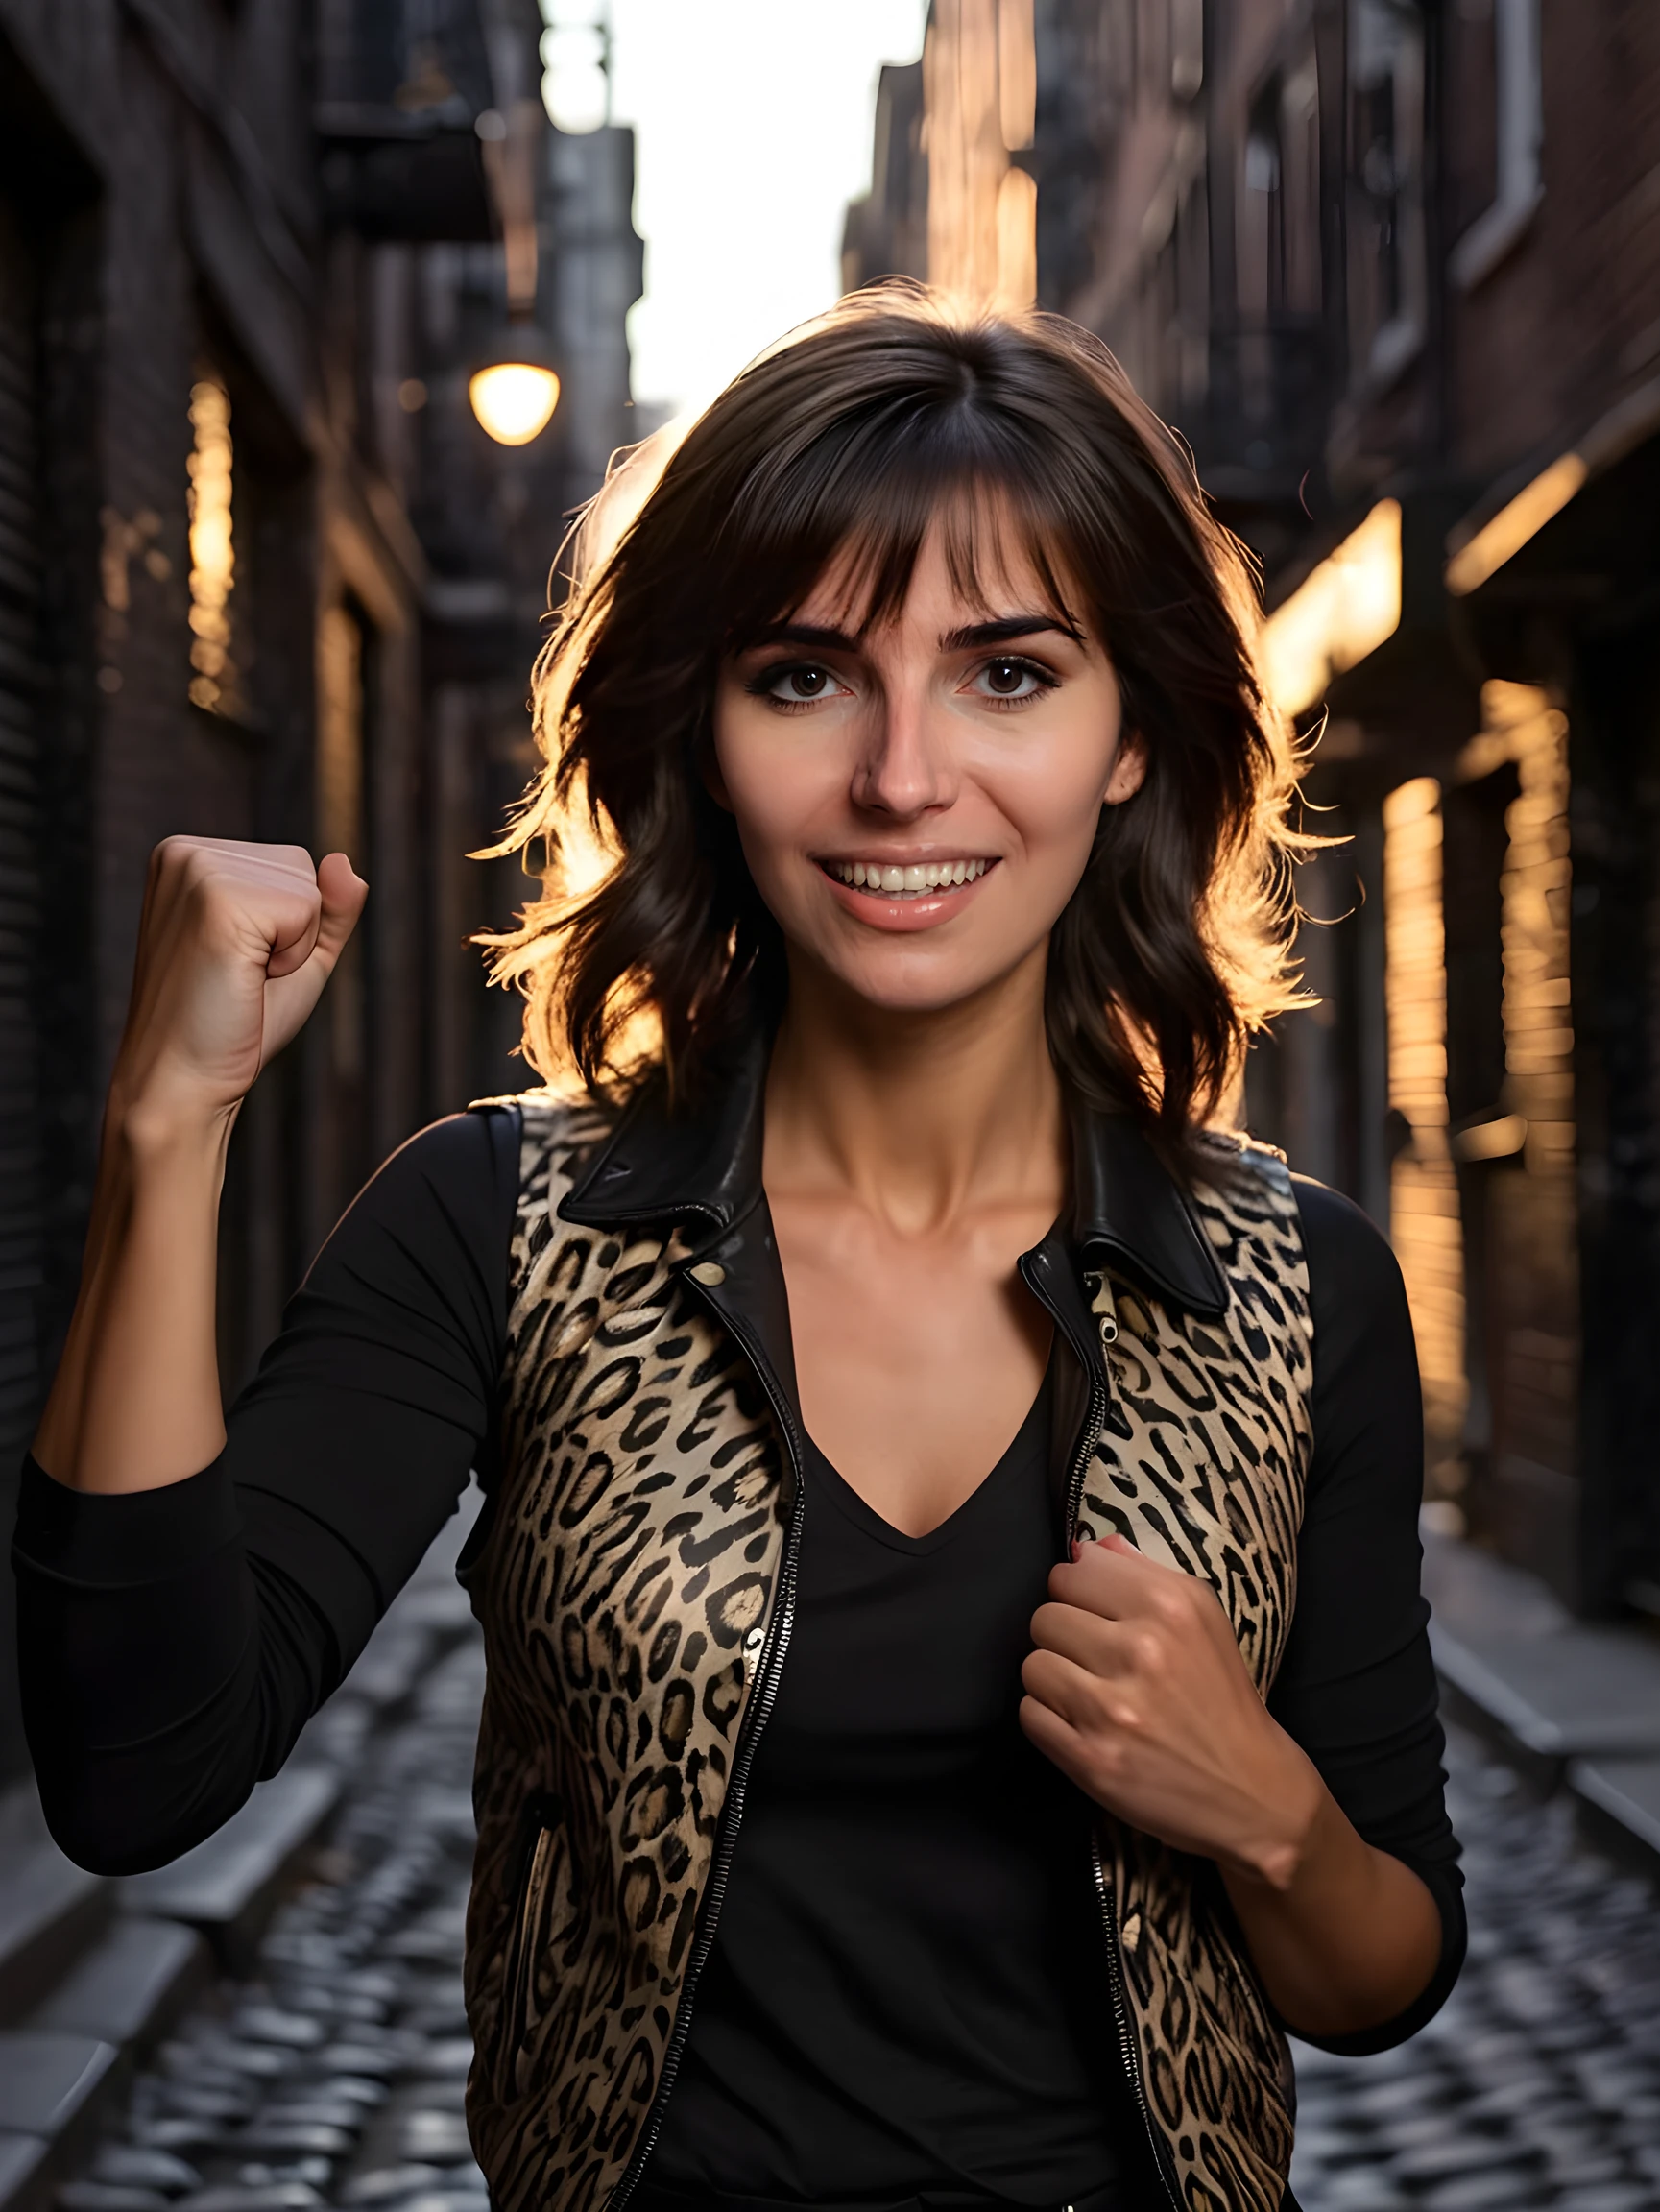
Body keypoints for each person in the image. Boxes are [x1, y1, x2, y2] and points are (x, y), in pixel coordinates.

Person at [15, 288, 1462, 2212]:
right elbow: (139, 1774)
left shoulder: (1294, 1289)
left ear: (1131, 735)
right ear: (699, 726)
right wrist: (163, 1131)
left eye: (1005, 675)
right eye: (804, 676)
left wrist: (1267, 1815)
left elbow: (1376, 1976)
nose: (898, 777)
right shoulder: (503, 1229)